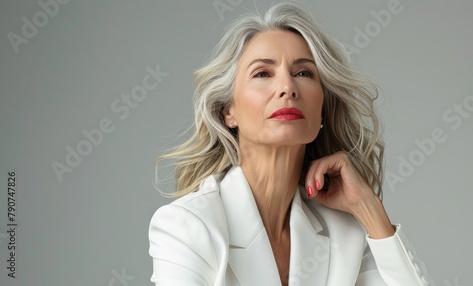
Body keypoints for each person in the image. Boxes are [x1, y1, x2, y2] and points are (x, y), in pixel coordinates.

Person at [149, 2, 434, 285]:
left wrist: (369, 209)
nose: (287, 87)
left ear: (321, 109)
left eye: (304, 73)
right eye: (262, 73)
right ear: (228, 111)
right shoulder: (189, 225)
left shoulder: (346, 232)